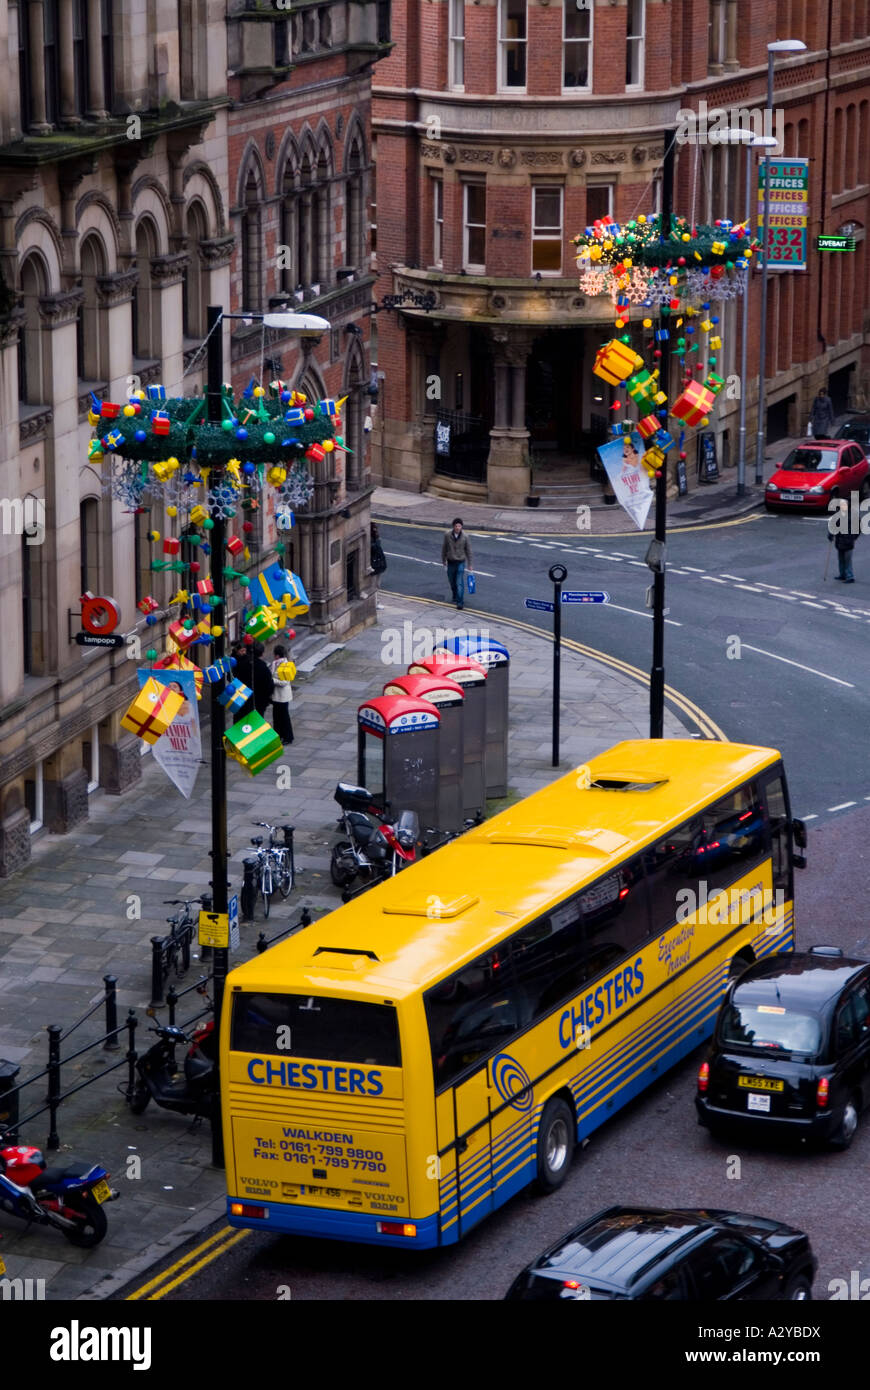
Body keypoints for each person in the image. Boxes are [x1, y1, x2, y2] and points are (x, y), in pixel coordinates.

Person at [441, 517, 473, 611]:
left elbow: (469, 551)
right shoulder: (447, 535)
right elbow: (444, 548)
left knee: (459, 583)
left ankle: (460, 602)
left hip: (460, 563)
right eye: (456, 526)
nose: (458, 528)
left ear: (462, 526)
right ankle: (455, 595)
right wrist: (443, 560)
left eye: (460, 526)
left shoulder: (465, 537)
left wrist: (470, 564)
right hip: (450, 562)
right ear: (453, 526)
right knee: (452, 582)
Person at [237, 640, 274, 717]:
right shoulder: (263, 667)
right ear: (262, 654)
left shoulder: (242, 663)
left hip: (242, 699)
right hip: (259, 702)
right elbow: (269, 686)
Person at [269, 643, 295, 745]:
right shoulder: (275, 663)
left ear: (277, 655)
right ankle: (279, 736)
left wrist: (272, 680)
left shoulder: (284, 665)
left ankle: (288, 737)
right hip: (276, 695)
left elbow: (284, 682)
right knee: (277, 717)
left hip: (282, 696)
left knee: (283, 717)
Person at [828, 498, 857, 582]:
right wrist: (830, 534)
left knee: (847, 560)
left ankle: (850, 576)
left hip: (848, 541)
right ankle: (843, 574)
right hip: (840, 541)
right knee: (841, 559)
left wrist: (853, 537)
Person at [370, 523, 387, 608]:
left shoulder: (375, 539)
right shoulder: (371, 540)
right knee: (373, 586)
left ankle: (376, 601)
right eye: (375, 529)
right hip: (374, 565)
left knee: (377, 585)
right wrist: (377, 541)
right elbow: (374, 549)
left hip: (378, 565)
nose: (377, 531)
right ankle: (374, 603)